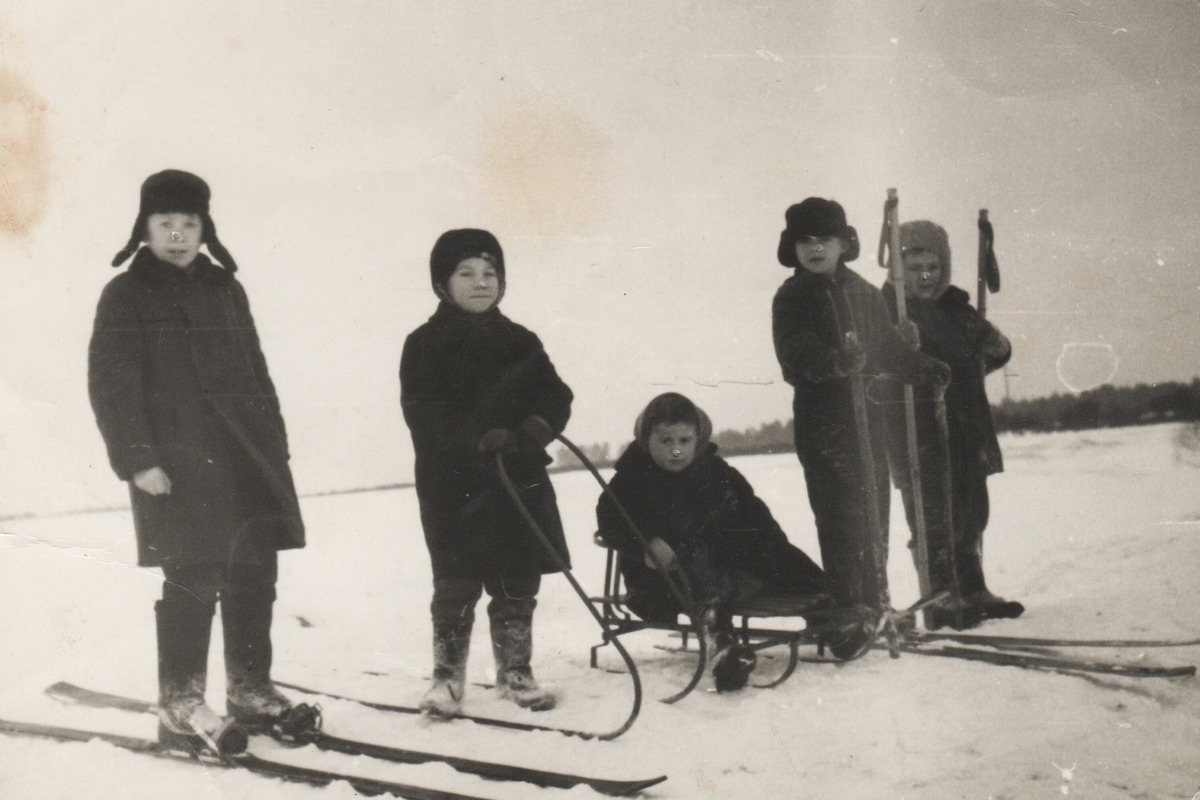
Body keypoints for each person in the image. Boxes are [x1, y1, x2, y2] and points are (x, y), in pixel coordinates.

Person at [89, 170, 311, 753]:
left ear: (205, 229)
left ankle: (249, 689)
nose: (179, 234)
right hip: (178, 464)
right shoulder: (126, 294)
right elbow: (112, 382)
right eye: (166, 223)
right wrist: (137, 459)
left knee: (254, 571)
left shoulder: (226, 289)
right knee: (192, 574)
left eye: (190, 223)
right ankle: (181, 702)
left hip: (245, 457)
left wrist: (275, 444)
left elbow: (257, 370)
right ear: (144, 229)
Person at [400, 228, 573, 717]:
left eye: (490, 272)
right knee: (455, 585)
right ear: (442, 283)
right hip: (453, 488)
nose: (481, 283)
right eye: (467, 273)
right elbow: (423, 412)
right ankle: (447, 679)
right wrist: (477, 438)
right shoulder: (423, 344)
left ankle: (516, 672)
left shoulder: (521, 340)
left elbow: (556, 396)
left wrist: (535, 429)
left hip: (518, 479)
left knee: (517, 579)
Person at [771, 198, 950, 644]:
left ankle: (876, 600)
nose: (815, 249)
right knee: (841, 515)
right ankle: (849, 612)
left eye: (824, 240)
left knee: (875, 512)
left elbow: (889, 349)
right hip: (824, 422)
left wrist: (920, 365)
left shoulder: (865, 293)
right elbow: (794, 356)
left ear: (842, 244)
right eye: (805, 242)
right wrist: (835, 361)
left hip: (869, 421)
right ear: (792, 248)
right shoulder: (792, 297)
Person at [595, 393, 832, 689]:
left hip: (724, 572)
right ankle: (721, 645)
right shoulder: (631, 480)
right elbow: (610, 523)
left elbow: (755, 515)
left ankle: (830, 613)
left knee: (769, 548)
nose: (676, 451)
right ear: (646, 439)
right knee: (696, 555)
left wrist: (770, 548)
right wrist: (643, 546)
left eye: (684, 441)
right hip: (658, 585)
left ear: (698, 439)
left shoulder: (716, 473)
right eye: (665, 441)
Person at [883, 220, 1024, 628]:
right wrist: (901, 347)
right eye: (915, 268)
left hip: (965, 424)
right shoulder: (887, 309)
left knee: (971, 511)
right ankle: (942, 597)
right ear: (898, 269)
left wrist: (991, 341)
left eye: (933, 266)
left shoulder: (955, 307)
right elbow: (881, 365)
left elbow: (989, 359)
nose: (926, 276)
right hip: (917, 429)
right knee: (932, 514)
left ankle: (972, 589)